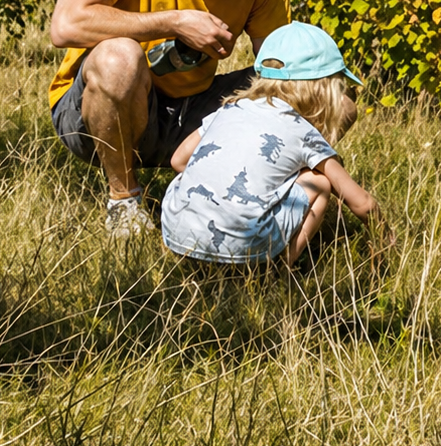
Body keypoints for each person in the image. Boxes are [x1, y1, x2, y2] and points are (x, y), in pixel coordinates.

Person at [48, 0, 290, 237]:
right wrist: (174, 22)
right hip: (92, 113)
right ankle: (124, 203)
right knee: (119, 58)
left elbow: (279, 67)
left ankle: (263, 210)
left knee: (302, 84)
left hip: (191, 111)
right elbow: (65, 25)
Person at [161, 22, 382, 268]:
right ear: (322, 88)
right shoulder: (303, 131)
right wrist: (386, 239)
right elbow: (362, 203)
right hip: (244, 245)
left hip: (177, 233)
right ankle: (280, 268)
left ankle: (201, 258)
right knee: (319, 182)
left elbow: (178, 160)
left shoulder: (230, 108)